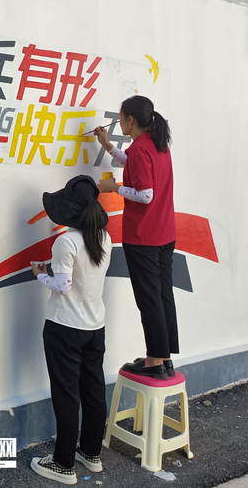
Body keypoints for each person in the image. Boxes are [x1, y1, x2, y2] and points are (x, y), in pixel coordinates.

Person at [30, 175, 112, 486]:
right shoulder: (104, 237)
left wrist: (40, 274)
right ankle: (91, 453)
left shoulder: (66, 241)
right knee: (93, 391)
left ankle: (63, 464)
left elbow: (63, 287)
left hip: (64, 327)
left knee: (66, 395)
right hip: (94, 326)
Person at [95, 95, 176, 380]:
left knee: (149, 300)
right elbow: (132, 162)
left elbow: (145, 195)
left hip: (144, 238)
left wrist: (113, 188)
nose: (119, 122)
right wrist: (108, 146)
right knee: (163, 296)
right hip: (164, 233)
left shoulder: (141, 149)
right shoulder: (156, 143)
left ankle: (154, 361)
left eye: (120, 118)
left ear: (130, 120)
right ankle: (164, 357)